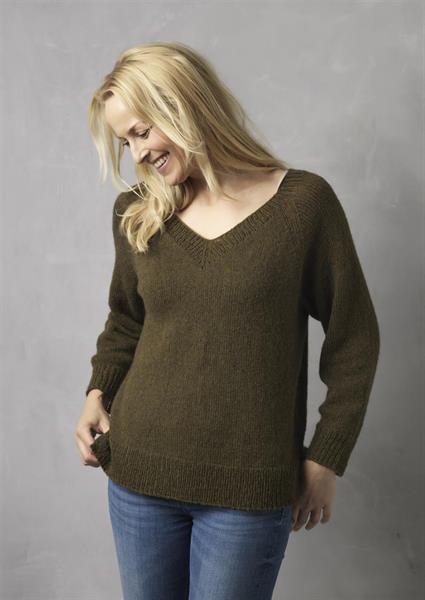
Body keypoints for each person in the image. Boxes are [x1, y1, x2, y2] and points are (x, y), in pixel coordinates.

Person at [74, 41, 380, 600]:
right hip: (137, 477)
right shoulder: (138, 211)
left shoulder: (303, 205)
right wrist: (99, 391)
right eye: (125, 142)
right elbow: (126, 321)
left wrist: (325, 457)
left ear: (181, 105)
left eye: (141, 132)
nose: (136, 155)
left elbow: (354, 338)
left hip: (247, 492)